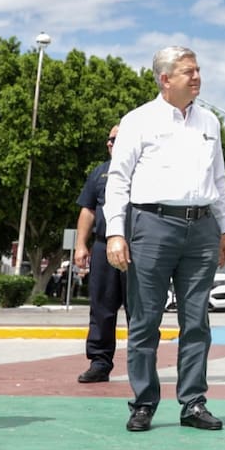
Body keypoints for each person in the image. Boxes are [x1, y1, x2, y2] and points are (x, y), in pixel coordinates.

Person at [103, 46, 225, 432]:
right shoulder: (138, 121)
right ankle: (143, 402)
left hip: (202, 229)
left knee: (197, 322)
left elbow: (219, 180)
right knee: (145, 320)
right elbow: (118, 180)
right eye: (188, 72)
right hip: (152, 227)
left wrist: (224, 226)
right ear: (165, 78)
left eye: (198, 71)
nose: (197, 77)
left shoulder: (209, 121)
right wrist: (115, 232)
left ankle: (193, 402)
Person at [74, 124, 126, 383]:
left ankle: (142, 364)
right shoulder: (99, 173)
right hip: (103, 247)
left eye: (115, 139)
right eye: (108, 139)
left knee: (141, 311)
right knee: (101, 308)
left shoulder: (145, 171)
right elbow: (88, 210)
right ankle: (99, 362)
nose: (109, 143)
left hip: (136, 249)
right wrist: (80, 245)